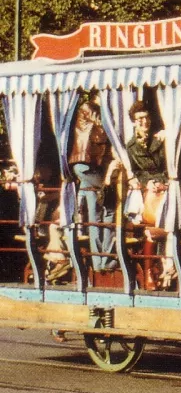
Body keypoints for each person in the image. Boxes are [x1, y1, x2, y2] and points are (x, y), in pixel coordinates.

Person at [124, 101, 171, 289]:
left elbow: (169, 166)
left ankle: (163, 267)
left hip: (165, 185)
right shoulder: (131, 146)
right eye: (139, 119)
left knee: (163, 221)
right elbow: (136, 171)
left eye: (146, 117)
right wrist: (148, 183)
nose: (144, 122)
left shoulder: (159, 139)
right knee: (155, 219)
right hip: (147, 190)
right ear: (134, 122)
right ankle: (150, 270)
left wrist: (163, 182)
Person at [69, 100, 117, 271]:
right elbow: (102, 135)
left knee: (95, 215)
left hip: (82, 168)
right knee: (110, 207)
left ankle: (98, 263)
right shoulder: (91, 111)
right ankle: (108, 260)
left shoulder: (80, 117)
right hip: (88, 166)